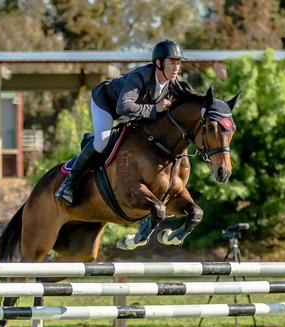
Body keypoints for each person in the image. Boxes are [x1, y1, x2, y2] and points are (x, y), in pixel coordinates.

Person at [56, 39, 191, 205]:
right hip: (106, 103)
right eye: (172, 62)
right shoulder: (140, 77)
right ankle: (69, 183)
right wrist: (155, 109)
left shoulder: (173, 83)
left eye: (178, 63)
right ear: (158, 63)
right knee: (102, 142)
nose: (176, 67)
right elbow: (123, 107)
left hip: (132, 112)